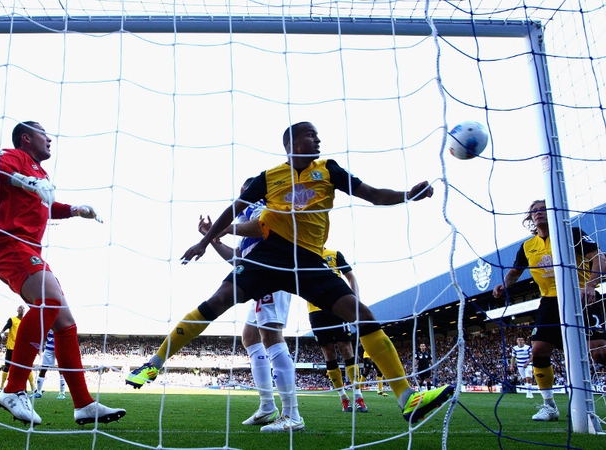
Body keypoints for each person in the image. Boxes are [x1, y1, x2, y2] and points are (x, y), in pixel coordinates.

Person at [126, 121, 455, 428]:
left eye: (317, 136)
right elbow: (233, 208)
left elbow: (372, 194)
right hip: (270, 255)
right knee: (219, 301)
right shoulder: (269, 177)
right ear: (291, 142)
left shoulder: (328, 170)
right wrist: (204, 241)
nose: (318, 139)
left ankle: (407, 397)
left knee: (361, 314)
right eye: (311, 134)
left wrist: (408, 195)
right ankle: (154, 363)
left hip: (308, 261)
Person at [0, 121, 125, 426]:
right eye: (44, 133)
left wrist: (73, 210)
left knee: (65, 323)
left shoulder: (40, 172)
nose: (50, 138)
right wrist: (22, 181)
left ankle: (83, 404)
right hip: (8, 245)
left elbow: (45, 204)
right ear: (26, 138)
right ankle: (13, 389)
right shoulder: (15, 157)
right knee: (49, 302)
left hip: (29, 249)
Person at [195, 177, 298, 427]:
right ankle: (266, 405)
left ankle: (292, 414)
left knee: (271, 336)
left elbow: (264, 228)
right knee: (250, 337)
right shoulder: (246, 219)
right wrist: (215, 240)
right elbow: (239, 259)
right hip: (259, 276)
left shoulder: (261, 206)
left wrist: (221, 229)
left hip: (272, 272)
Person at [493, 199, 606, 422]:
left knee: (600, 353)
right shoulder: (527, 246)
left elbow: (600, 259)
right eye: (534, 211)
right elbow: (514, 273)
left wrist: (590, 285)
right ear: (530, 218)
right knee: (538, 351)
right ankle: (549, 406)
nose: (538, 213)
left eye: (543, 209)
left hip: (581, 296)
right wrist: (504, 286)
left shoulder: (571, 233)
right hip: (549, 302)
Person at [307, 248, 367, 413]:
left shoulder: (334, 254)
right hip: (315, 310)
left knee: (345, 346)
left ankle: (358, 395)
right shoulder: (303, 253)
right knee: (328, 352)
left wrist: (355, 299)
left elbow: (350, 276)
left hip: (336, 305)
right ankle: (343, 398)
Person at [0, 305, 35, 393]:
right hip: (11, 347)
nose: (21, 309)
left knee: (26, 366)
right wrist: (2, 335)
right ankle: (1, 387)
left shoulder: (26, 320)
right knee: (7, 366)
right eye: (20, 308)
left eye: (23, 308)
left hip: (22, 348)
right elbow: (2, 330)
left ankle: (33, 387)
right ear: (17, 310)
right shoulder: (12, 320)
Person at [34, 329, 67, 400]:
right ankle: (39, 392)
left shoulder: (60, 321)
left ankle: (62, 392)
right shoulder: (48, 321)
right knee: (43, 369)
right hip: (48, 348)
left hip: (60, 348)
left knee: (61, 370)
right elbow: (44, 335)